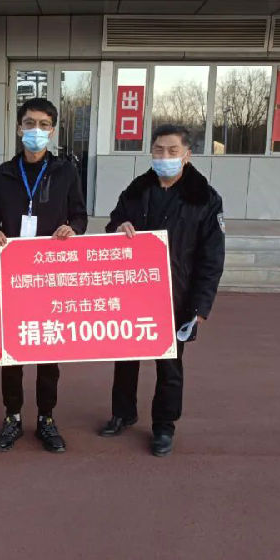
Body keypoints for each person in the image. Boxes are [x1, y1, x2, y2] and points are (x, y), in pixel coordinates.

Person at [101, 124, 225, 456]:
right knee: (125, 358)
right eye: (158, 150)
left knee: (169, 364)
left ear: (187, 155)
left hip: (176, 295)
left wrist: (201, 307)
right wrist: (119, 227)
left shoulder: (204, 198)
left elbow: (212, 258)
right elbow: (113, 224)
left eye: (172, 151)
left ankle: (164, 426)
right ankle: (123, 413)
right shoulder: (137, 190)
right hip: (133, 291)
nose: (164, 156)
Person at [0, 97, 88, 453]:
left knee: (47, 351)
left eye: (43, 125)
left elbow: (80, 216)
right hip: (12, 275)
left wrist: (73, 229)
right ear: (19, 128)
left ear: (52, 131)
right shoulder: (2, 174)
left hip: (50, 275)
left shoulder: (65, 172)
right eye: (29, 124)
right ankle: (12, 416)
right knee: (12, 351)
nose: (36, 131)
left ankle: (46, 418)